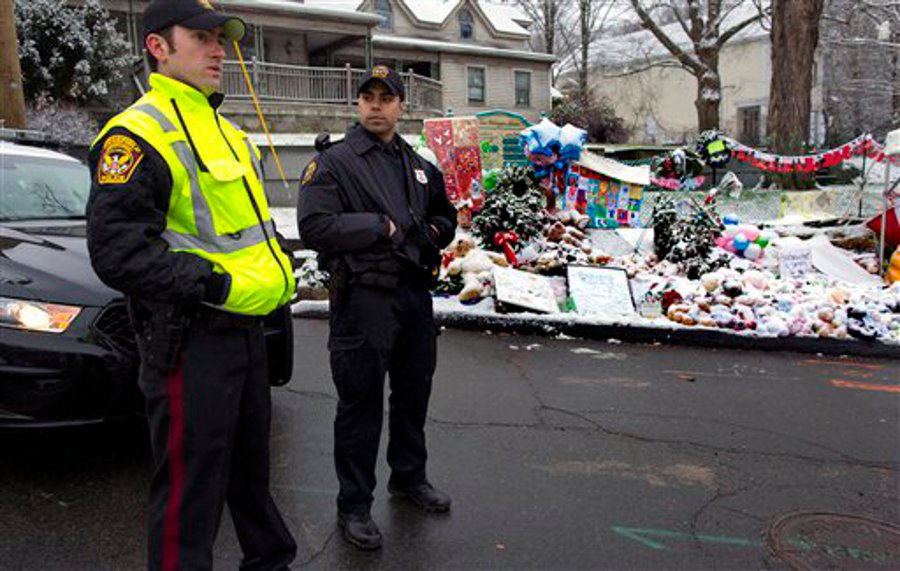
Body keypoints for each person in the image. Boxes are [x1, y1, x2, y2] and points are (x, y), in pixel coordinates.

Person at [85, 1, 297, 568]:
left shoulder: (227, 130)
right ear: (158, 45)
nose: (218, 49)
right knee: (189, 490)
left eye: (221, 38)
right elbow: (117, 251)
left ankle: (270, 559)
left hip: (249, 330)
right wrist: (215, 284)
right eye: (201, 37)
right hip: (192, 336)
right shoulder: (135, 134)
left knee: (250, 468)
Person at [297, 65, 457, 551]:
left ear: (401, 106)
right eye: (367, 97)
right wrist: (378, 227)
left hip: (412, 297)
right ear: (358, 104)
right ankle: (355, 506)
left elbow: (444, 215)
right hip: (363, 298)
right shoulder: (334, 162)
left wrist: (432, 234)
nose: (375, 105)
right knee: (360, 404)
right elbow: (315, 225)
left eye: (386, 98)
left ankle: (408, 477)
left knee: (413, 394)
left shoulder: (418, 164)